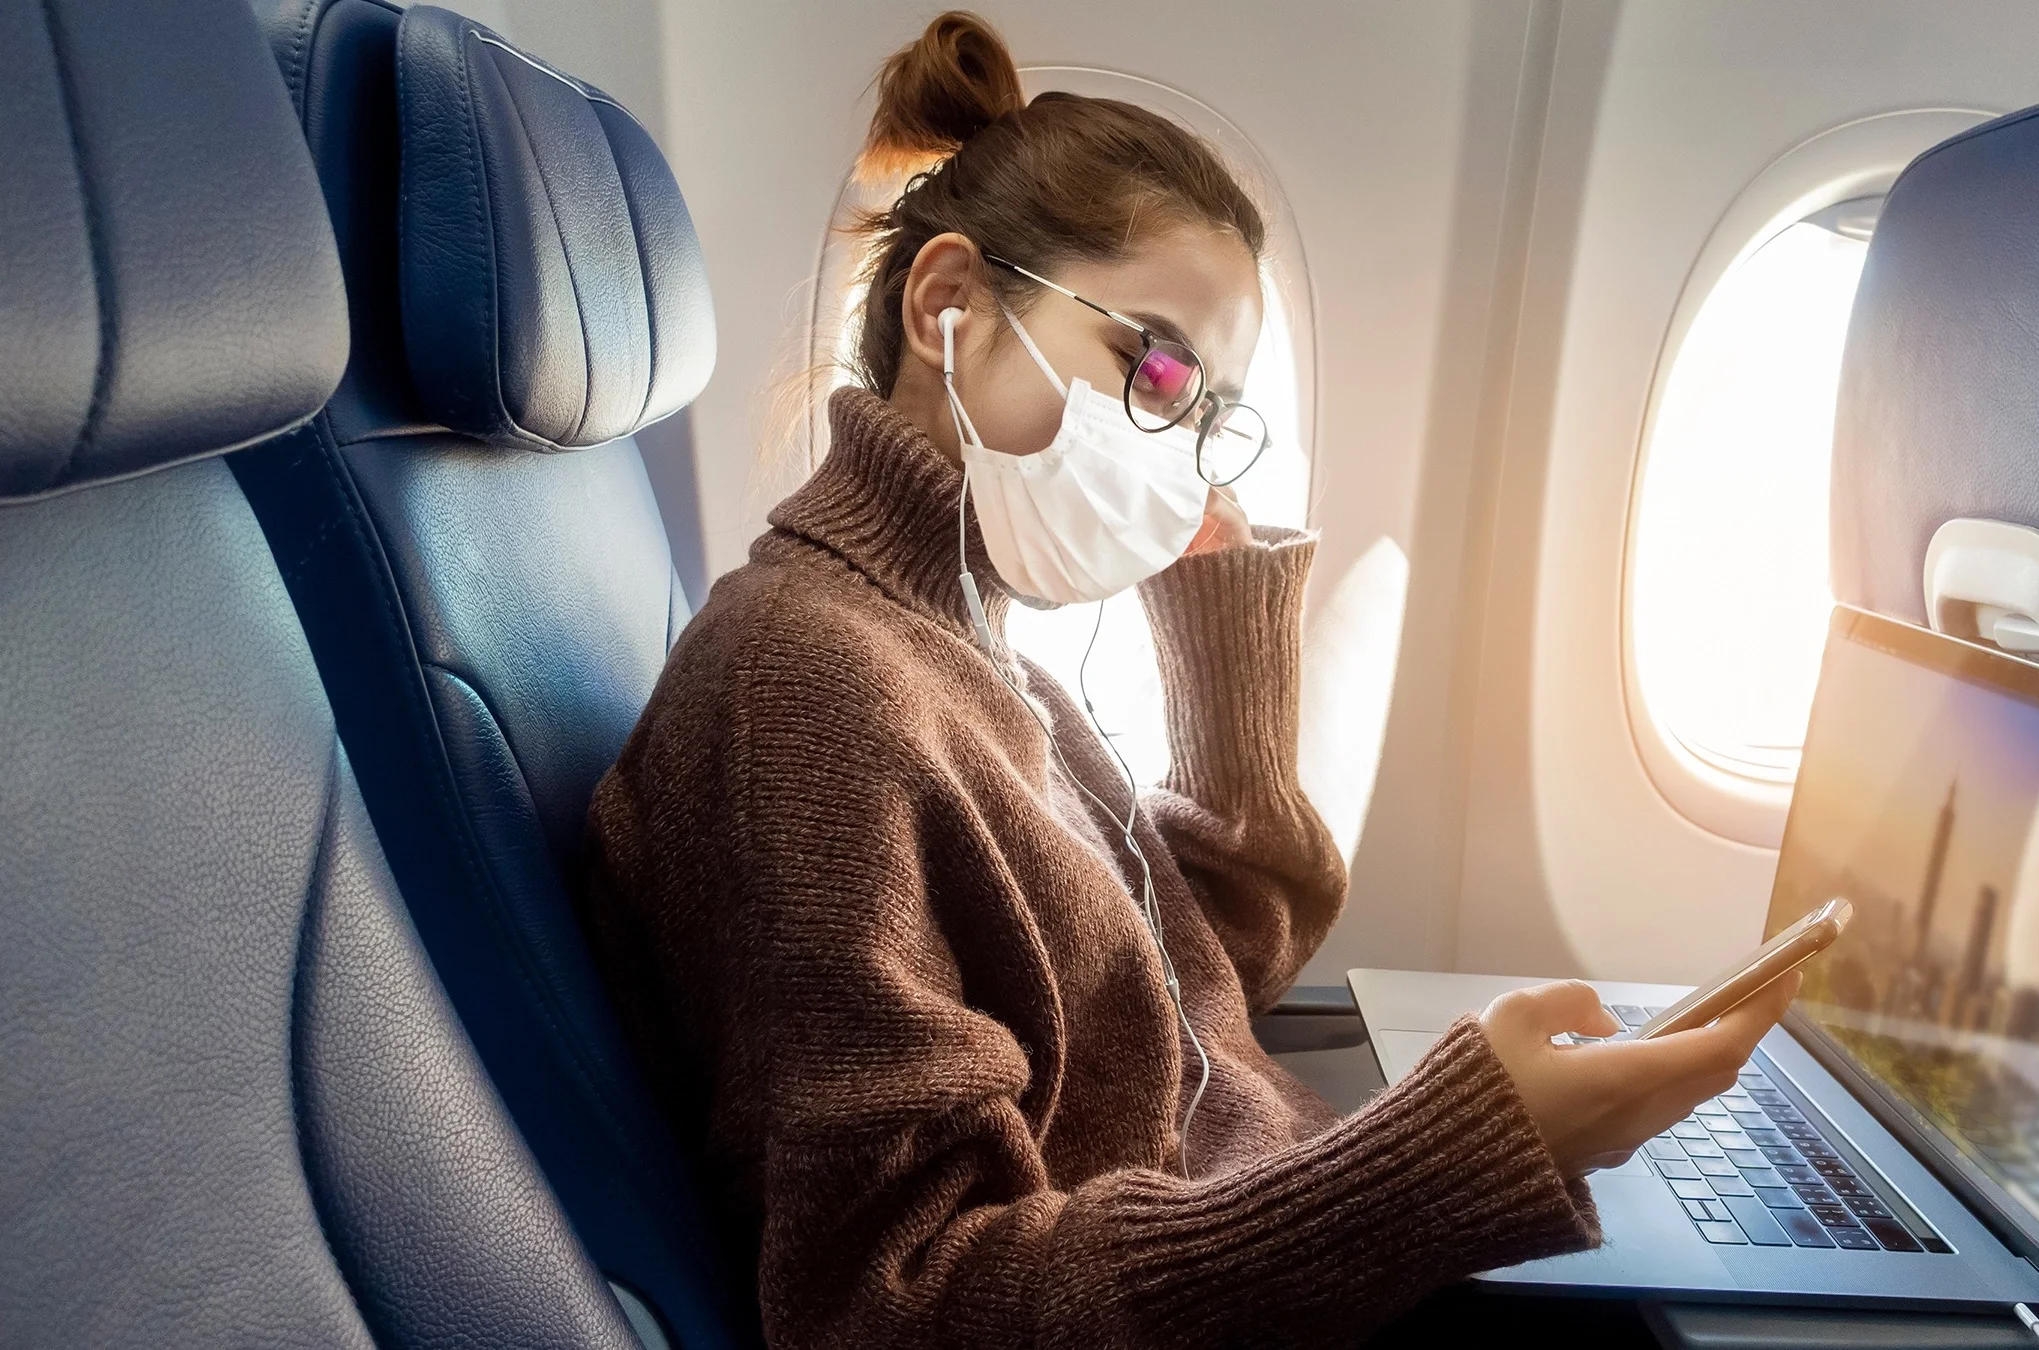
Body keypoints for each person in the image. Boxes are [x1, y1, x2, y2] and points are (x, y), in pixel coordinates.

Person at [577, 12, 1796, 1347]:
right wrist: (1440, 1163)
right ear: (950, 304)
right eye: (1151, 366)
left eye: (1210, 411)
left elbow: (1195, 966)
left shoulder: (979, 651)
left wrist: (1219, 608)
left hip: (1258, 1228)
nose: (1182, 451)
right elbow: (900, 1304)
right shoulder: (809, 692)